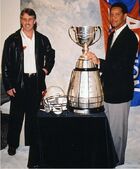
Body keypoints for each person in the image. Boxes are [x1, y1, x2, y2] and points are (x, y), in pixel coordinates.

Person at [87, 2, 138, 165]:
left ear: (124, 16)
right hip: (109, 91)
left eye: (117, 14)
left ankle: (116, 163)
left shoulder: (130, 38)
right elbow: (112, 64)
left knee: (117, 133)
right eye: (111, 14)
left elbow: (122, 66)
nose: (113, 17)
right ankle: (109, 159)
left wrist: (99, 62)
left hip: (120, 93)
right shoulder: (112, 36)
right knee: (108, 129)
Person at [2, 8, 55, 156]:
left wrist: (46, 69)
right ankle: (12, 145)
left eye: (30, 19)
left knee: (33, 115)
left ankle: (31, 145)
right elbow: (5, 64)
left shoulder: (42, 39)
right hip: (18, 82)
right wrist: (9, 85)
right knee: (16, 116)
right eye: (24, 19)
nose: (27, 22)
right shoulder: (12, 40)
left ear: (35, 21)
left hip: (36, 82)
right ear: (21, 20)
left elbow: (51, 54)